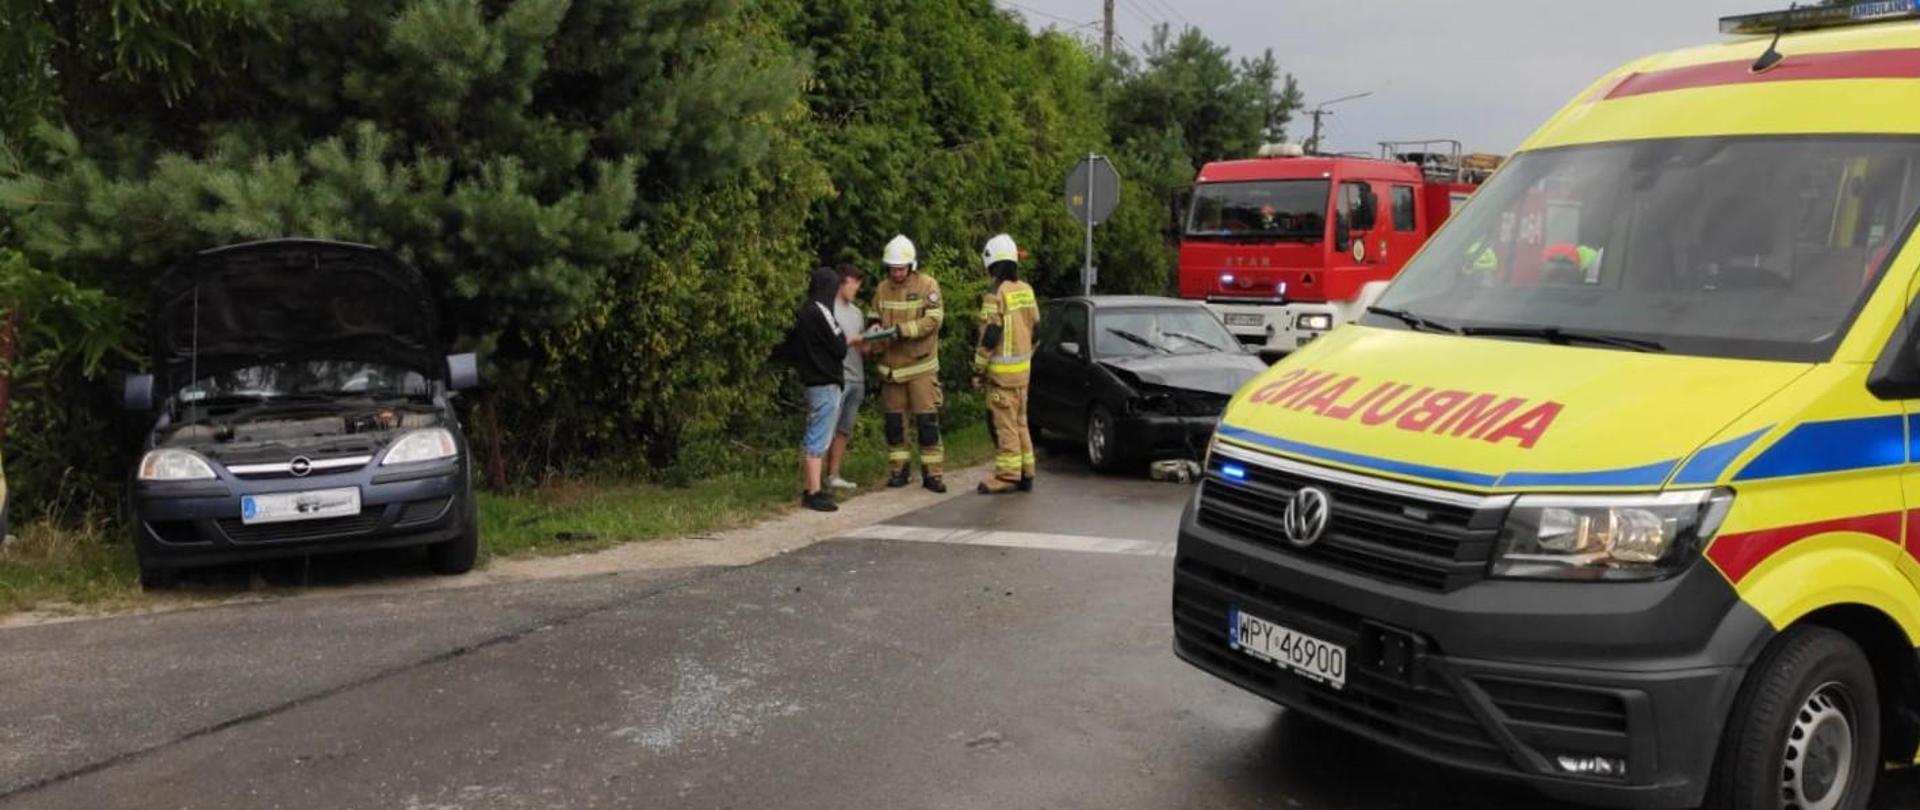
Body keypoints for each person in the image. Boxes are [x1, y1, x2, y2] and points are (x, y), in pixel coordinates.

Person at [869, 235, 948, 493]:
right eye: (893, 269)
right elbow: (873, 315)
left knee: (927, 423)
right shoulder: (882, 289)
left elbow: (934, 320)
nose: (897, 273)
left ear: (911, 266)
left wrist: (903, 330)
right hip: (892, 370)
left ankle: (933, 474)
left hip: (920, 368)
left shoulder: (927, 285)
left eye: (901, 268)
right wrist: (874, 327)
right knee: (894, 425)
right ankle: (898, 471)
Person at [972, 234, 1040, 495]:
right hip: (1023, 373)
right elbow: (1037, 329)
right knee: (1021, 422)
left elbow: (990, 336)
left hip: (1001, 375)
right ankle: (1027, 472)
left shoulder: (995, 294)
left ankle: (1008, 476)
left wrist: (978, 369)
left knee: (1005, 426)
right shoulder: (1026, 290)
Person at [786, 266, 856, 512]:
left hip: (811, 381)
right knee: (818, 438)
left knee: (815, 434)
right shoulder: (821, 310)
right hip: (825, 382)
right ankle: (813, 492)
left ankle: (813, 487)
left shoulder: (804, 311)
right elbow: (839, 346)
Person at [826, 264, 868, 491]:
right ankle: (814, 480)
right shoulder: (829, 310)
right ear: (843, 281)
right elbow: (828, 345)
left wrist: (871, 341)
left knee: (844, 430)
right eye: (854, 283)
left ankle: (834, 475)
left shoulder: (857, 313)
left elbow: (862, 348)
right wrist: (851, 341)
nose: (857, 288)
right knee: (828, 428)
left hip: (857, 376)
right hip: (837, 376)